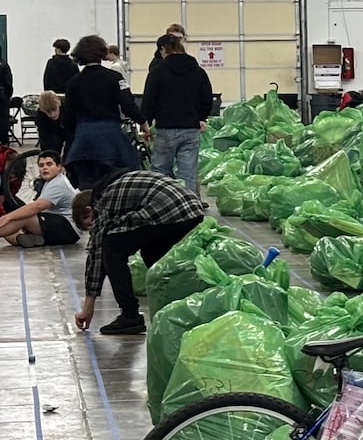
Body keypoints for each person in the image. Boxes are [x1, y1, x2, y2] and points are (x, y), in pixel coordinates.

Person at [71, 168, 206, 335]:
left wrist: (88, 307)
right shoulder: (112, 186)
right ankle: (178, 302)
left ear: (89, 210)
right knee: (151, 252)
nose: (92, 230)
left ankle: (130, 316)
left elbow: (97, 254)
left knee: (112, 248)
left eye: (89, 225)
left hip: (172, 210)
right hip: (190, 208)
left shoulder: (103, 202)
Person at [61, 35, 142, 190]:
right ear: (101, 52)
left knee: (87, 187)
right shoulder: (115, 78)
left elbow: (68, 118)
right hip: (110, 137)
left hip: (83, 139)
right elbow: (128, 106)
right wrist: (142, 121)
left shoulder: (73, 82)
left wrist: (70, 145)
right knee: (120, 179)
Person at [140, 34, 213, 192]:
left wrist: (145, 120)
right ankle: (191, 207)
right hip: (190, 129)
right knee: (188, 173)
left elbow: (149, 99)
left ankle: (162, 205)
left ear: (163, 49)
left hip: (166, 128)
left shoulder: (158, 72)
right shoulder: (198, 71)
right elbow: (207, 98)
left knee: (160, 171)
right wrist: (201, 117)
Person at [0, 150, 79, 246]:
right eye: (41, 166)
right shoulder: (50, 181)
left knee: (24, 217)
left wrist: (8, 217)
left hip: (68, 229)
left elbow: (38, 206)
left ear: (59, 167)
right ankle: (20, 239)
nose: (45, 168)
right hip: (58, 225)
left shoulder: (59, 184)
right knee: (12, 224)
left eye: (49, 164)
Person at [33, 92, 66, 157]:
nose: (52, 114)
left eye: (54, 109)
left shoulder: (68, 108)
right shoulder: (40, 116)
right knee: (50, 152)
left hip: (66, 125)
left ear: (58, 104)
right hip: (50, 128)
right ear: (42, 110)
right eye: (48, 112)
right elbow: (45, 139)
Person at [0, 52, 11, 147]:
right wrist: (7, 95)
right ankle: (4, 142)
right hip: (2, 94)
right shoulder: (4, 65)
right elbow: (8, 82)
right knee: (3, 119)